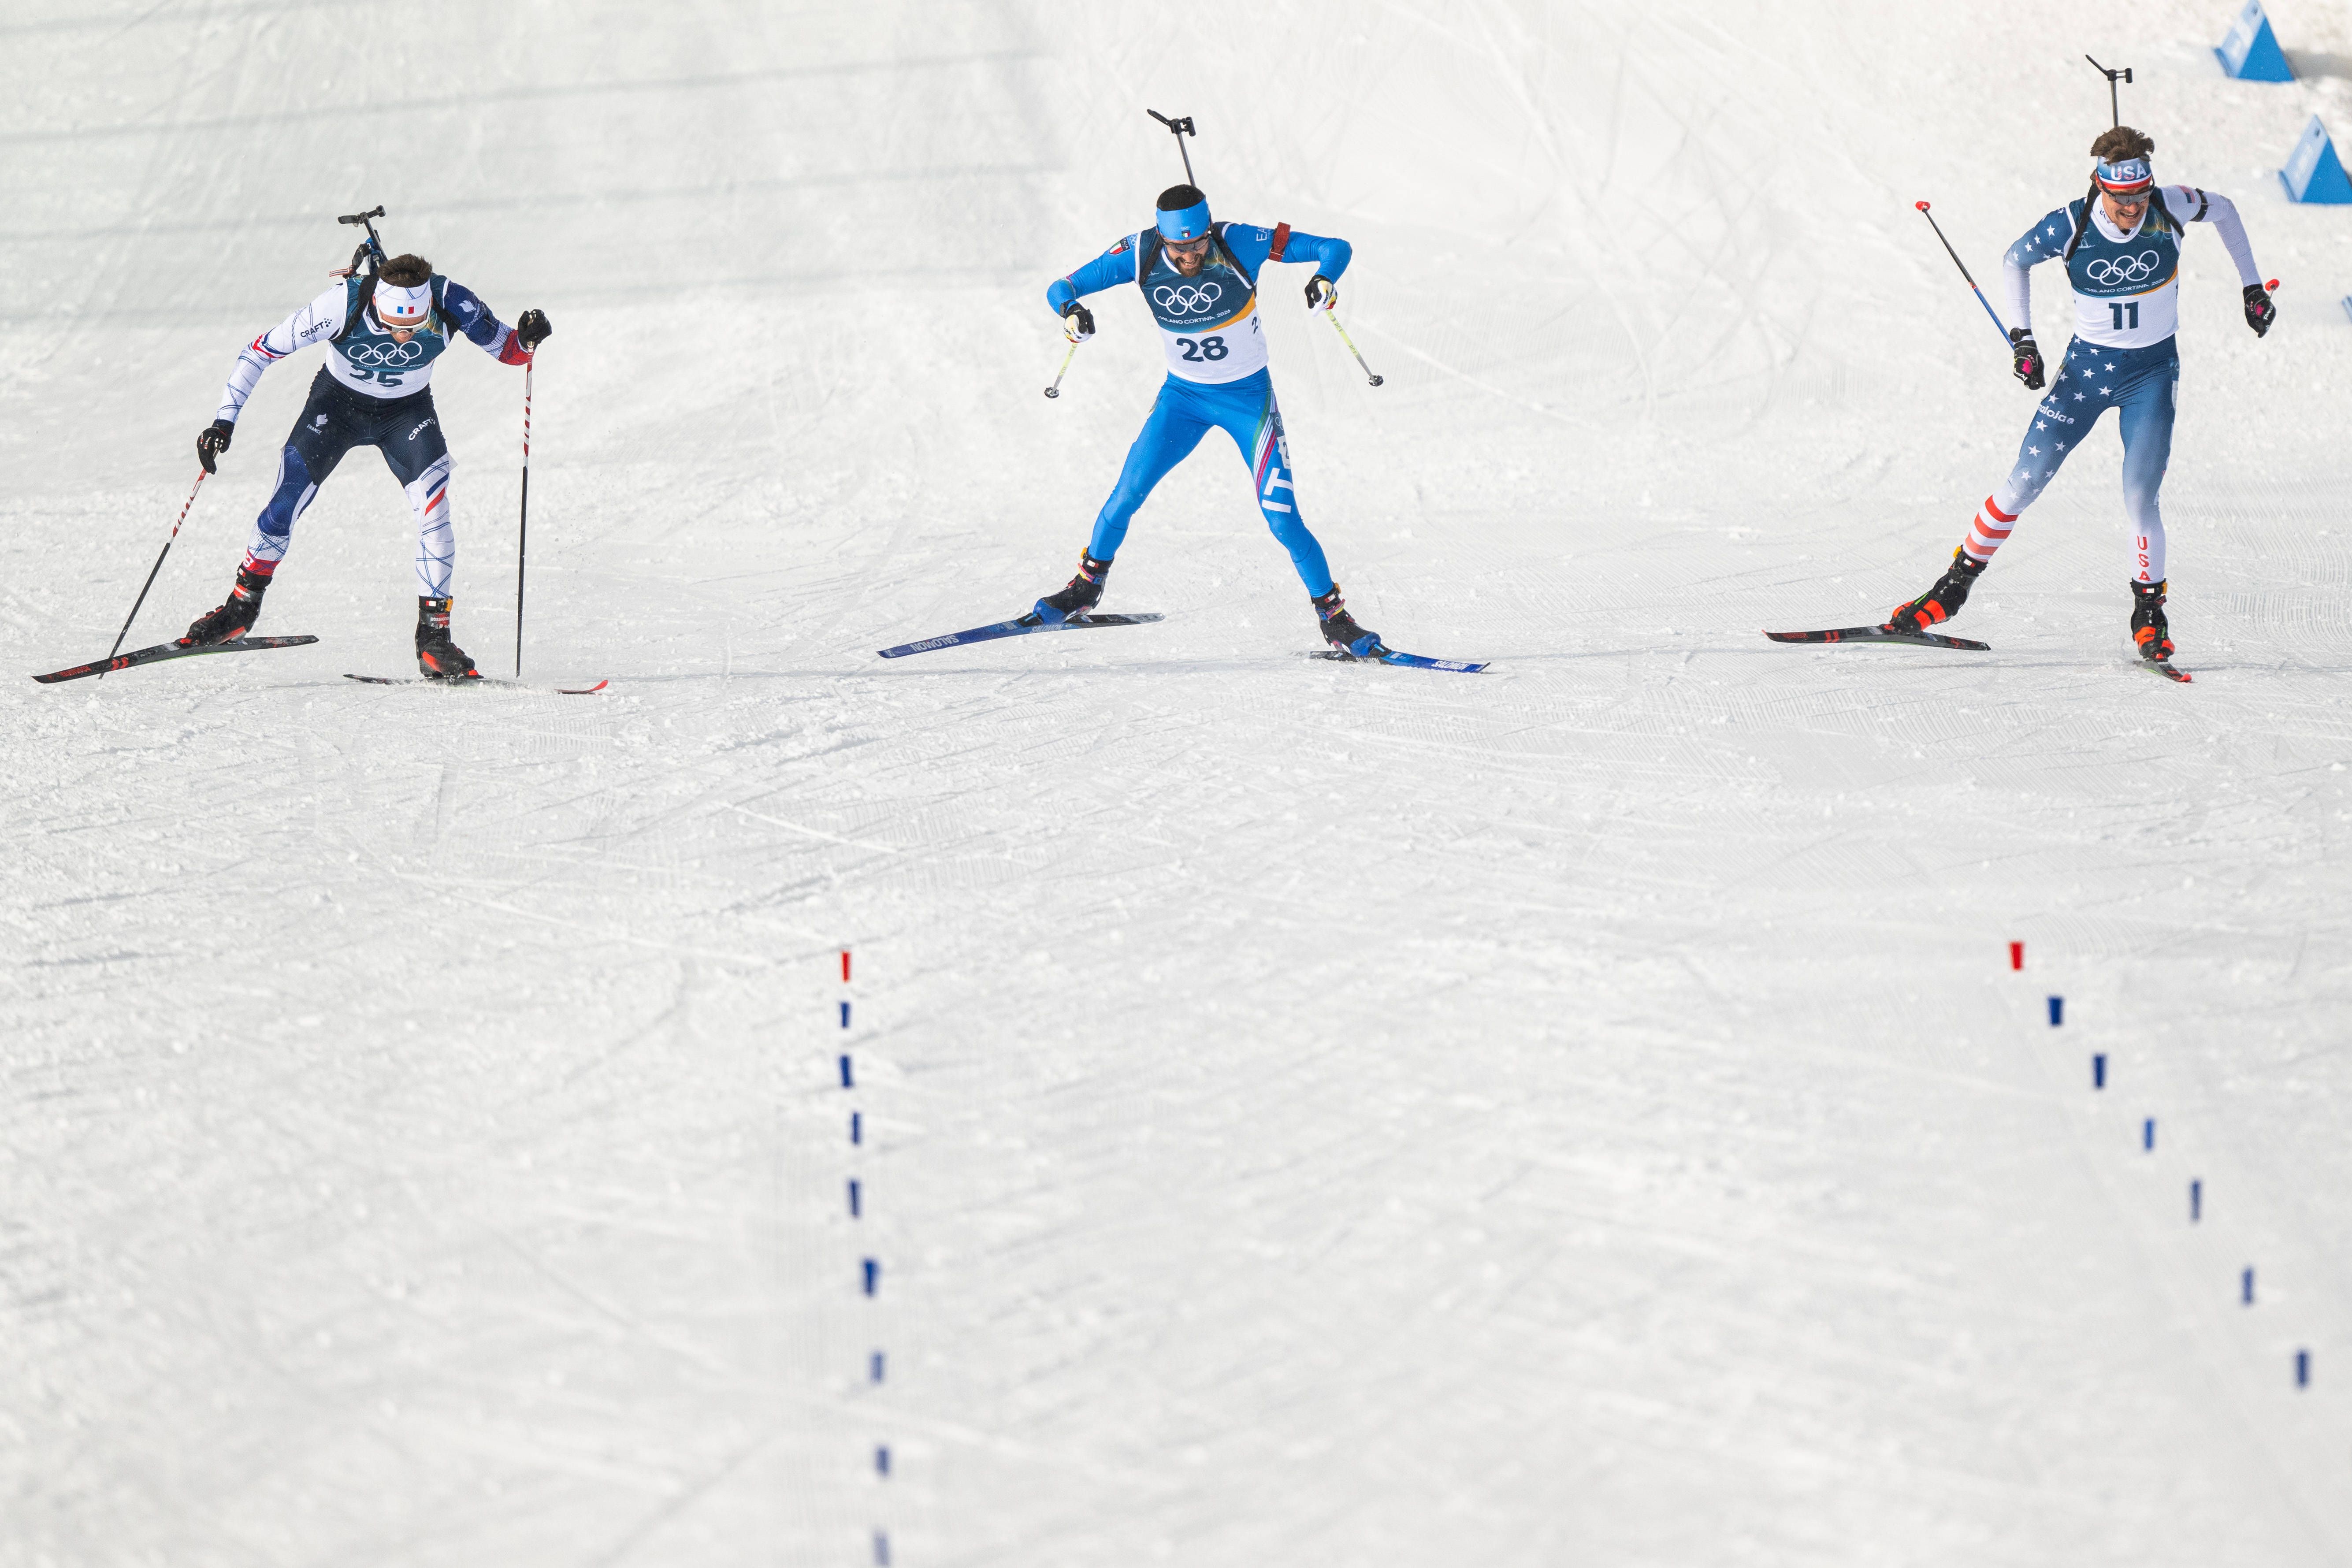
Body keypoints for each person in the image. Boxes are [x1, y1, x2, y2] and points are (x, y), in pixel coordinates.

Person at [1885, 126, 2273, 667]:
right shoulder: (2070, 224)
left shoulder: (2171, 206)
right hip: (2086, 375)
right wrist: (2023, 339)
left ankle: (2149, 615)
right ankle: (1951, 588)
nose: (2134, 209)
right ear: (2100, 189)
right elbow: (2014, 260)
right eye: (2122, 199)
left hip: (2152, 374)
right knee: (2023, 483)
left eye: (2141, 196)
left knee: (2142, 499)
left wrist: (2251, 286)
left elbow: (2226, 210)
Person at [1037, 183, 1382, 656]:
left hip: (1248, 401)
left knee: (1282, 520)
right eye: (1180, 247)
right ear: (1164, 238)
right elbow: (1063, 286)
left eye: (1199, 243)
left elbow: (1334, 247)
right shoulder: (1139, 252)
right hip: (1183, 399)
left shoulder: (1239, 241)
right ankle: (1085, 589)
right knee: (1126, 494)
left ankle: (1336, 619)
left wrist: (1325, 277)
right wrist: (1071, 311)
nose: (1191, 255)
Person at [183, 252, 552, 678]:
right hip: (337, 407)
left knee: (435, 511)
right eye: (392, 325)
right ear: (377, 303)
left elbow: (509, 352)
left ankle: (434, 639)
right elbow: (259, 352)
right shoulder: (343, 302)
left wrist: (528, 338)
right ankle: (240, 610)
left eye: (413, 328)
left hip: (406, 414)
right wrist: (222, 422)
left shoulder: (449, 298)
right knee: (286, 502)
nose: (401, 337)